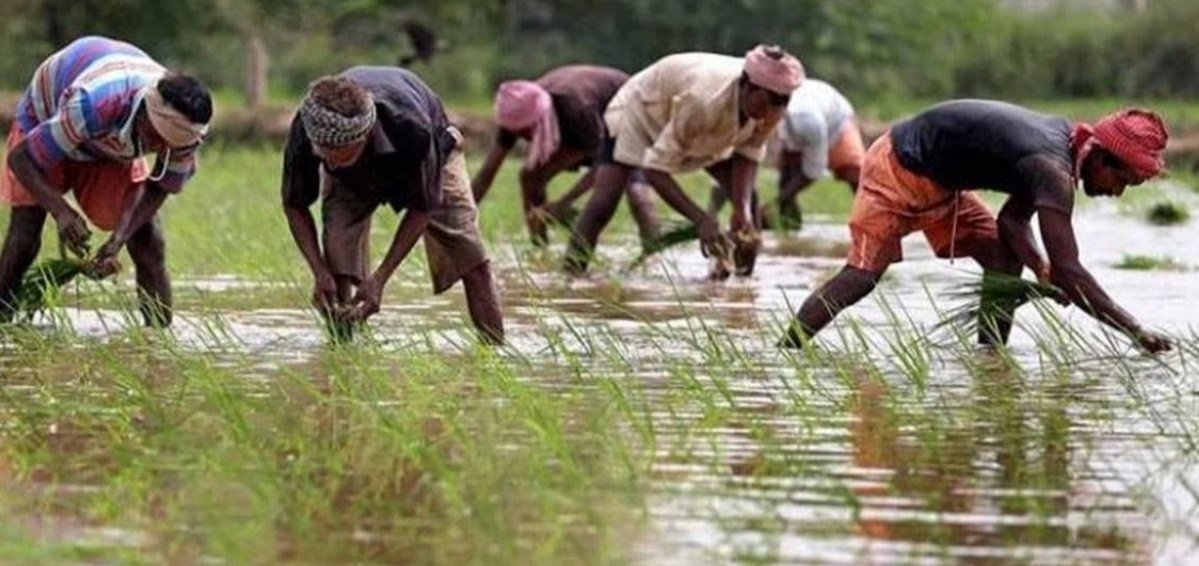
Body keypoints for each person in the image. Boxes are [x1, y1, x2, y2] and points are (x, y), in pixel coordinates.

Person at [781, 100, 1173, 353]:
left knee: (1002, 255)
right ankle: (787, 351)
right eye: (1123, 181)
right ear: (1102, 158)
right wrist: (1135, 331)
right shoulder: (1052, 168)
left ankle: (990, 358)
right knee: (861, 277)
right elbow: (1070, 270)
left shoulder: (1061, 150)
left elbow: (1012, 221)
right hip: (898, 166)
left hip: (941, 184)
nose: (1118, 192)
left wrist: (1039, 268)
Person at [0, 36, 212, 326]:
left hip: (108, 144)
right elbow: (20, 159)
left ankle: (158, 341)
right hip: (48, 120)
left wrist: (117, 240)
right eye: (158, 138)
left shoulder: (185, 134)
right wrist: (60, 210)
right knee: (25, 236)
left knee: (148, 238)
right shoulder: (93, 101)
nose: (162, 148)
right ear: (144, 115)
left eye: (169, 145)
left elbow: (158, 187)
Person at [281, 67, 503, 344]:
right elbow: (294, 204)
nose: (330, 164)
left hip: (433, 156)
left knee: (472, 258)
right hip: (349, 180)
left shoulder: (413, 130)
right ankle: (343, 352)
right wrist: (319, 271)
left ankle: (494, 351)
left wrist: (380, 279)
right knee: (337, 264)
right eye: (323, 156)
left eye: (340, 155)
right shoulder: (308, 128)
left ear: (364, 137)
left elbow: (423, 207)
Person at [564, 45, 803, 277]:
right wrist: (701, 220)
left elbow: (749, 153)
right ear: (747, 87)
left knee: (749, 206)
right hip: (642, 112)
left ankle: (739, 285)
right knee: (604, 200)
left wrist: (742, 210)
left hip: (704, 131)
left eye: (778, 107)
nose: (768, 114)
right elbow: (654, 169)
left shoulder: (772, 107)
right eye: (763, 105)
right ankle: (571, 274)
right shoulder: (703, 100)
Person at [471, 65, 659, 246]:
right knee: (530, 176)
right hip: (577, 132)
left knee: (637, 195)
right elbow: (487, 173)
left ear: (540, 119)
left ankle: (654, 256)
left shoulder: (577, 109)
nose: (525, 138)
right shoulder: (515, 111)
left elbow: (603, 168)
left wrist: (564, 202)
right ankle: (540, 247)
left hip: (625, 112)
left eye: (529, 131)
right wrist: (457, 218)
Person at [713, 78, 863, 229]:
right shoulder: (755, 118)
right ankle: (789, 225)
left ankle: (870, 221)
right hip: (797, 128)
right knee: (787, 179)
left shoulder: (807, 122)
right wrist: (713, 214)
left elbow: (813, 171)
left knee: (854, 175)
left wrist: (773, 204)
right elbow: (734, 166)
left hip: (836, 123)